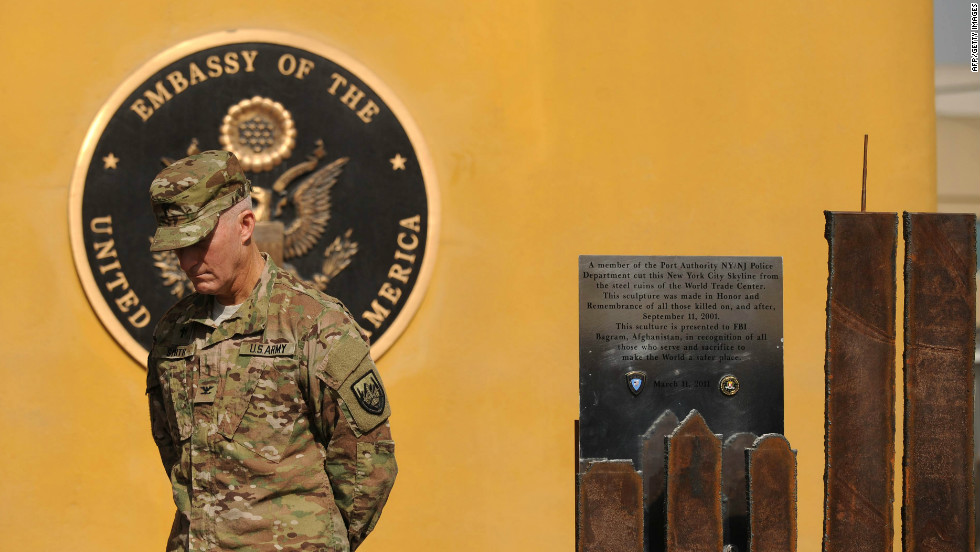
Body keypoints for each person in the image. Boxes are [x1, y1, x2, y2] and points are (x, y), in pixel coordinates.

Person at [145, 150, 396, 552]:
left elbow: (367, 460)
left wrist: (319, 540)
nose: (188, 261)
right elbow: (174, 450)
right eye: (178, 247)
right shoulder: (173, 333)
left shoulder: (314, 323)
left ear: (246, 225)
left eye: (200, 241)